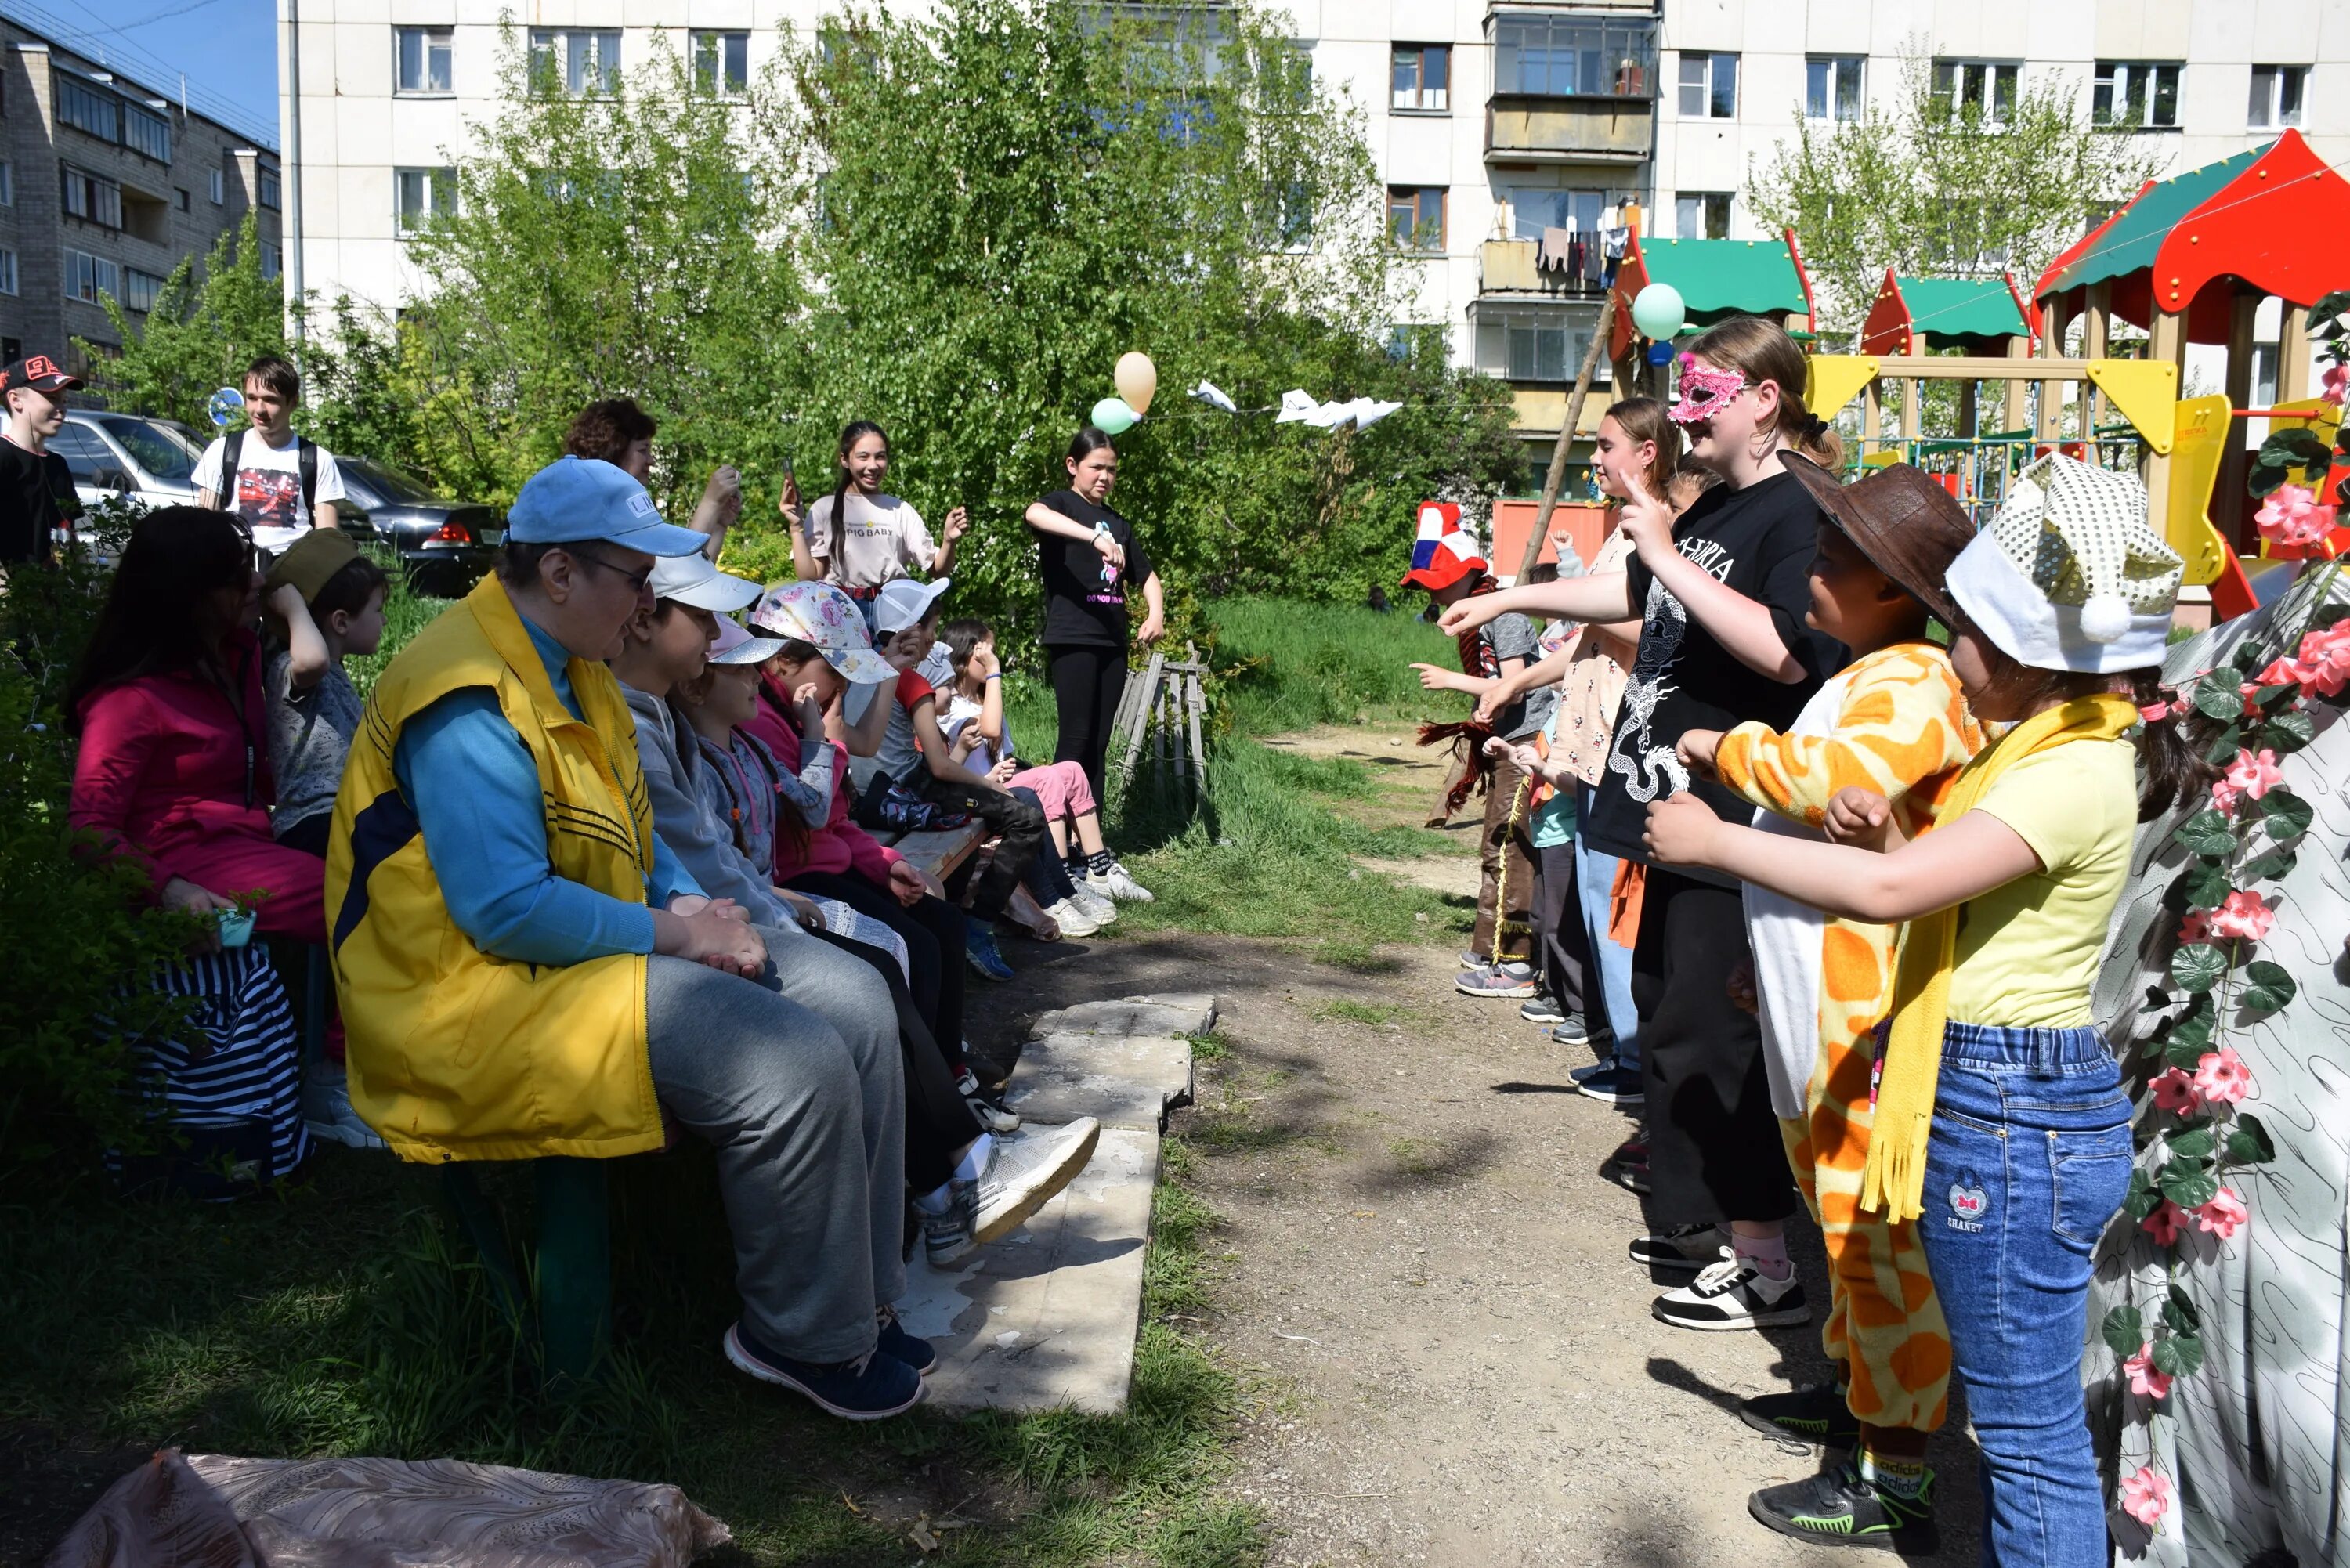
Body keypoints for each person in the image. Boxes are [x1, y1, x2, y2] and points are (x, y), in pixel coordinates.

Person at [1643, 453, 2195, 1565]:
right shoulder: (2044, 746)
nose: (1952, 652)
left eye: (1970, 634)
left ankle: (1902, 1476)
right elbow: (1933, 876)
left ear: (2029, 656)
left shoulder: (2073, 766)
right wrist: (1884, 837)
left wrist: (1717, 837)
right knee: (2013, 1412)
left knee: (2027, 1434)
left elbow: (1898, 895)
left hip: (2011, 1105)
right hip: (1985, 1085)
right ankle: (1886, 1444)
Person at [327, 455, 927, 1418]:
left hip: (569, 961)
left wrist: (704, 912)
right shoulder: (466, 692)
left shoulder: (577, 671)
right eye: (637, 576)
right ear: (559, 574)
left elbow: (643, 843)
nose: (650, 601)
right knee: (791, 1057)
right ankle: (801, 1338)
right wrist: (678, 935)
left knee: (855, 1000)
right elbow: (504, 910)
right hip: (463, 994)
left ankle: (864, 1299)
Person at [1441, 316, 1846, 1332]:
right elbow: (1628, 589)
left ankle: (1769, 1271)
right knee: (1675, 1023)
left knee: (1718, 1042)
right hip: (1666, 805)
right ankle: (1712, 1230)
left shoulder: (1795, 512)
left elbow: (1788, 652)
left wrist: (1667, 549)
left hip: (1731, 815)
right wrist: (1509, 596)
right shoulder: (1723, 505)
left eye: (1705, 392)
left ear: (1764, 399)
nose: (1682, 413)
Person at [611, 556, 1097, 1268]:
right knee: (872, 971)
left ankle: (952, 1165)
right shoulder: (693, 723)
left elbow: (800, 822)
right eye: (721, 639)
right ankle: (952, 1177)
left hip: (755, 904)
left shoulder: (708, 725)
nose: (733, 649)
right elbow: (739, 848)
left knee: (913, 944)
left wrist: (872, 855)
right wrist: (788, 901)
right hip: (734, 922)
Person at [1666, 456, 1983, 1548]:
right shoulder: (1864, 667)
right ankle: (1857, 1403)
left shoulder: (1918, 683)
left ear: (1896, 590)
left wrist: (1726, 746)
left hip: (1864, 1023)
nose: (1814, 567)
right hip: (1815, 1008)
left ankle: (1896, 1469)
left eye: (1836, 557)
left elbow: (1825, 780)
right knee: (1837, 1228)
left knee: (1875, 1242)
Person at [67, 507, 328, 1191]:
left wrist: (283, 596)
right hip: (186, 859)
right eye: (236, 574)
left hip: (249, 840)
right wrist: (169, 891)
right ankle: (333, 1073)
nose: (254, 583)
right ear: (188, 593)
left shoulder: (235, 652)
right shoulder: (129, 699)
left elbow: (306, 657)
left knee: (401, 865)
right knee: (360, 897)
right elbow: (89, 829)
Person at [744, 582, 1014, 1124]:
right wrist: (827, 740)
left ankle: (949, 1069)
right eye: (835, 669)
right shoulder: (766, 724)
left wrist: (889, 863)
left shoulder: (804, 710)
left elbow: (836, 823)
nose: (842, 682)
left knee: (941, 923)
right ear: (782, 663)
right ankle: (937, 1103)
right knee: (908, 944)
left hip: (832, 862)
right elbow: (812, 817)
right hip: (800, 881)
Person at [1475, 399, 1676, 1102]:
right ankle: (1621, 1049)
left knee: (1616, 909)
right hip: (1589, 748)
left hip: (1624, 748)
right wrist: (1520, 681)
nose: (1595, 458)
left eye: (1606, 444)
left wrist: (1512, 604)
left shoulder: (1662, 530)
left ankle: (1635, 1060)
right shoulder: (1621, 530)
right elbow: (1592, 637)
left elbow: (1641, 622)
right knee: (1596, 903)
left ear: (1647, 452)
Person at [853, 576, 1048, 984]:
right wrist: (989, 785)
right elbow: (938, 767)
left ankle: (960, 920)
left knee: (970, 822)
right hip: (907, 791)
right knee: (1025, 817)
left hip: (865, 797)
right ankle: (979, 926)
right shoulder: (912, 682)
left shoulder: (858, 666)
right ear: (915, 630)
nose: (934, 639)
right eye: (933, 627)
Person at [1404, 506, 1552, 997]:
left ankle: (1513, 961)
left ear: (1468, 575)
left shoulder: (1503, 614)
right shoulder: (1477, 617)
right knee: (1495, 845)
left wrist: (1450, 682)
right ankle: (1488, 944)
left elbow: (1514, 685)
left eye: (1438, 582)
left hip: (1525, 743)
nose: (1432, 593)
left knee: (1509, 848)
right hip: (1504, 740)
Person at [937, 616, 1147, 923]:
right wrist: (994, 673)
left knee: (1071, 769)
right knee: (1048, 779)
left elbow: (1000, 746)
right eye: (986, 654)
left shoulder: (981, 698)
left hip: (999, 783)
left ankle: (1099, 868)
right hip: (979, 791)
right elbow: (991, 729)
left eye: (992, 655)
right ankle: (1061, 877)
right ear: (967, 655)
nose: (992, 660)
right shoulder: (952, 705)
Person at [1024, 427, 1164, 801]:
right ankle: (1054, 839)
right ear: (1073, 466)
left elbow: (1147, 575)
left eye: (1112, 470)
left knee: (1098, 745)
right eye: (1096, 467)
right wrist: (1094, 537)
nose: (1105, 477)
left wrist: (1156, 614)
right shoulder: (1063, 505)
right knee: (1075, 741)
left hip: (1112, 642)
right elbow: (1034, 513)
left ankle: (1092, 842)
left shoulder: (1120, 523)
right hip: (1073, 637)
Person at [261, 529, 389, 859]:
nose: (384, 619)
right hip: (313, 822)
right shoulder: (291, 668)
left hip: (346, 815)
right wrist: (293, 609)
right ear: (341, 622)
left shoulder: (334, 673)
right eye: (378, 610)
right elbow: (313, 660)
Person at [786, 421, 969, 612]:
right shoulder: (824, 509)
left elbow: (938, 570)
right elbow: (809, 577)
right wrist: (795, 526)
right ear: (845, 460)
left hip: (893, 612)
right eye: (863, 457)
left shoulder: (900, 510)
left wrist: (949, 541)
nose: (873, 466)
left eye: (880, 457)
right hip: (839, 614)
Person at [193, 355, 347, 555]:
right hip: (237, 569)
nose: (259, 409)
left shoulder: (317, 459)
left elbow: (328, 543)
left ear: (293, 403)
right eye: (252, 398)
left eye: (270, 400)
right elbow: (205, 529)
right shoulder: (222, 451)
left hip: (295, 573)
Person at [562, 397, 742, 561]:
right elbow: (678, 573)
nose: (651, 460)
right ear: (615, 450)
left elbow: (698, 575)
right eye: (643, 450)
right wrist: (710, 503)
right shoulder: (601, 514)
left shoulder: (619, 507)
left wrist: (719, 522)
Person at [0, 351, 85, 570]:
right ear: (15, 400)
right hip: (16, 595)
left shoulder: (58, 465)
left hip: (53, 595)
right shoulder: (4, 456)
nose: (62, 408)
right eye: (52, 398)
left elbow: (69, 534)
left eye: (64, 400)